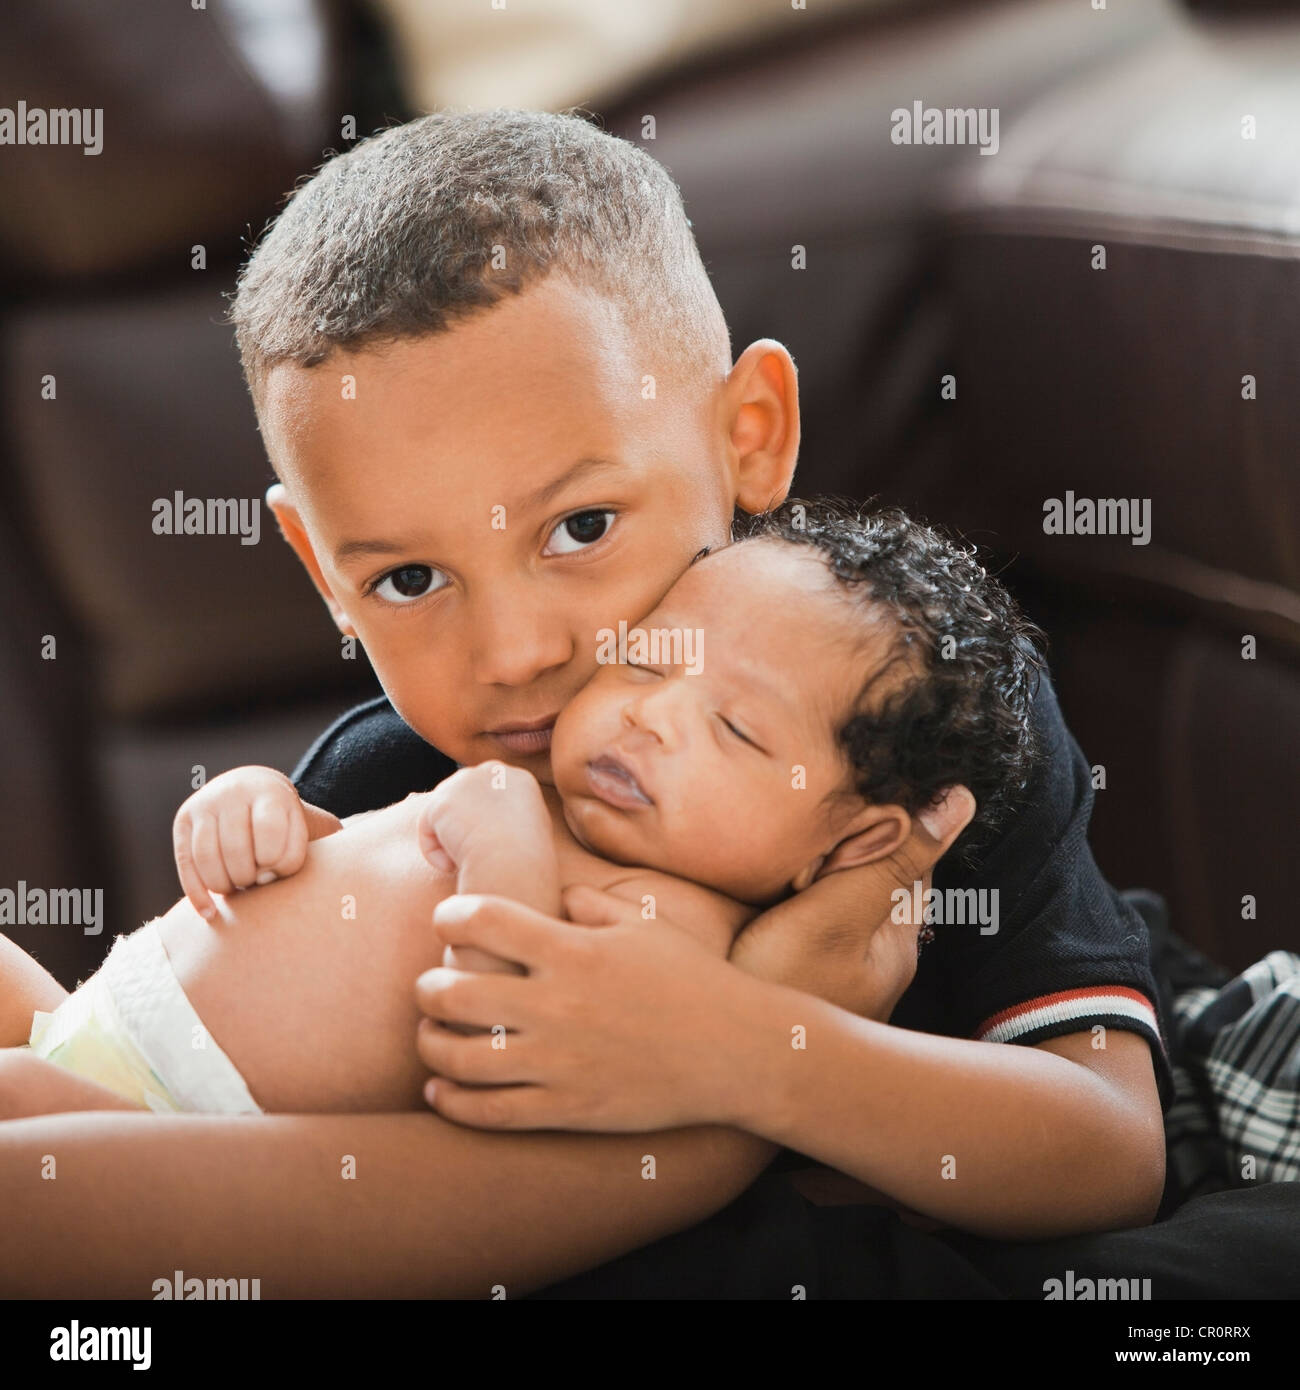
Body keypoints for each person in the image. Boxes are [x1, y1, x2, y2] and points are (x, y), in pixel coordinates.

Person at [0, 109, 1169, 1297]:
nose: (514, 654)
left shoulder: (919, 715)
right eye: (407, 580)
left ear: (747, 436)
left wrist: (747, 1050)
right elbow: (224, 1159)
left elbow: (1111, 1151)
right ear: (322, 572)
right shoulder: (384, 786)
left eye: (580, 527)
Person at [9, 503, 1040, 1122]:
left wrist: (495, 823)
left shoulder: (675, 930)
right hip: (97, 1014)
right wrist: (263, 810)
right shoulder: (536, 791)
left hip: (161, 1111)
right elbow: (349, 884)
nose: (647, 716)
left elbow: (503, 1025)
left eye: (735, 729)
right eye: (643, 658)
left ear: (851, 840)